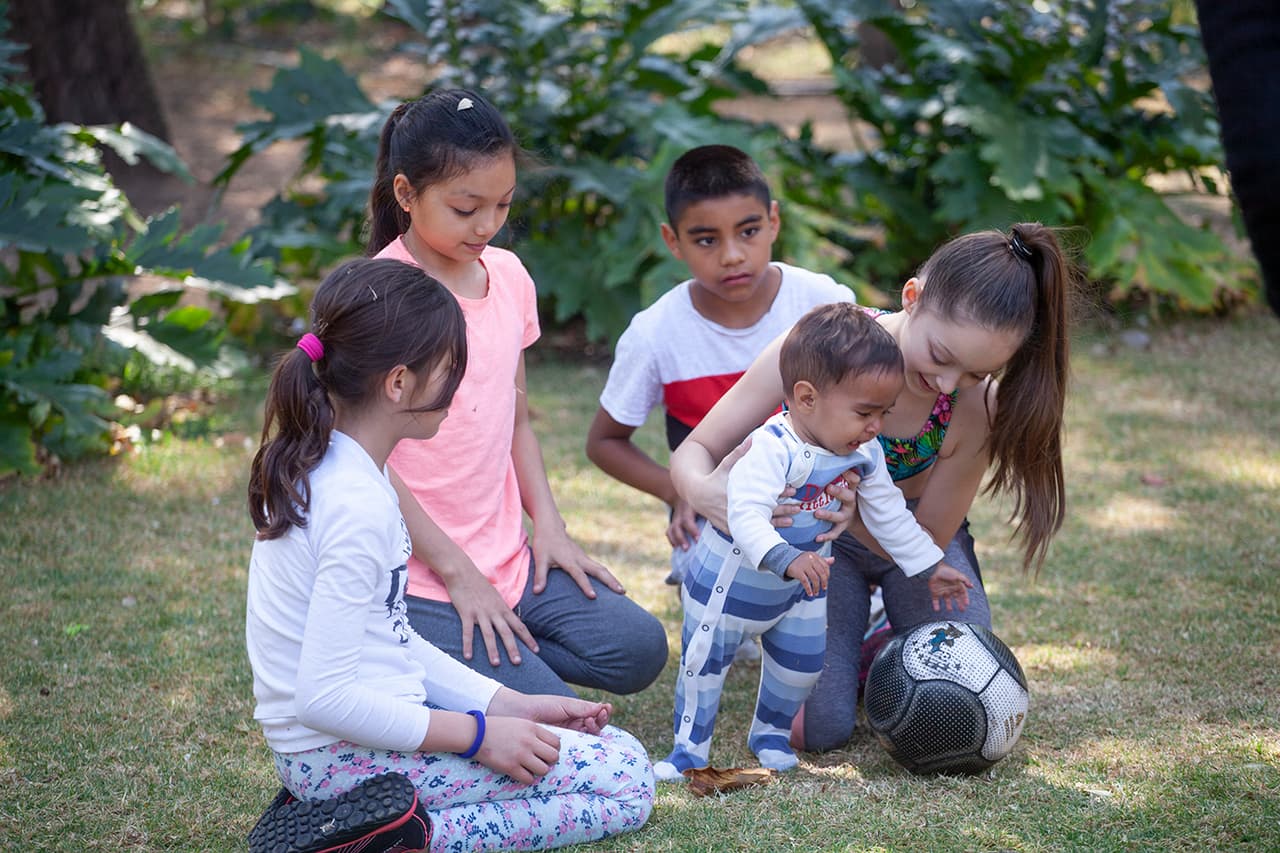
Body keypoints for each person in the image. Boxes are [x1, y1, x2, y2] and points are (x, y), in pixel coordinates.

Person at [244, 258, 654, 852]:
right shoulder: (355, 503)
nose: (462, 387)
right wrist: (477, 737)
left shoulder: (341, 464)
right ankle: (388, 836)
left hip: (336, 754)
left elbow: (392, 638)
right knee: (628, 780)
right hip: (338, 758)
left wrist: (508, 704)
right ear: (399, 384)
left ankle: (367, 821)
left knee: (613, 753)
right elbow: (324, 698)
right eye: (451, 369)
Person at [670, 223, 1073, 753]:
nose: (950, 383)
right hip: (822, 545)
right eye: (942, 355)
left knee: (967, 673)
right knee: (818, 731)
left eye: (976, 373)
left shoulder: (974, 407)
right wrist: (707, 497)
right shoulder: (822, 346)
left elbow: (925, 538)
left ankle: (883, 628)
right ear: (913, 296)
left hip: (911, 543)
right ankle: (867, 637)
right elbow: (694, 452)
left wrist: (856, 515)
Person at [365, 88, 667, 698]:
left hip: (510, 558)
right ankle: (425, 648)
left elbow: (517, 419)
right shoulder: (382, 296)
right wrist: (456, 572)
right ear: (405, 194)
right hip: (427, 574)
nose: (487, 225)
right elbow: (363, 459)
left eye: (502, 204)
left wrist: (549, 529)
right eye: (465, 208)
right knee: (549, 718)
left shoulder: (507, 277)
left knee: (639, 650)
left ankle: (491, 671)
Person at [653, 304, 973, 781]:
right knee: (704, 666)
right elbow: (743, 513)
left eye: (882, 414)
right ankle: (688, 751)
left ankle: (769, 736)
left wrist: (931, 565)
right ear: (806, 398)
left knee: (800, 669)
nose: (875, 428)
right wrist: (787, 559)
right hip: (732, 584)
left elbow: (888, 513)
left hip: (799, 587)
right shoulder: (771, 447)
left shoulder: (862, 452)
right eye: (865, 413)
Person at [585, 143, 856, 590]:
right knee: (738, 612)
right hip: (717, 519)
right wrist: (682, 490)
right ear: (673, 241)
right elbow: (604, 442)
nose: (731, 255)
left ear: (773, 221)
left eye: (748, 231)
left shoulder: (821, 302)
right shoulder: (655, 332)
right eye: (707, 240)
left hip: (818, 513)